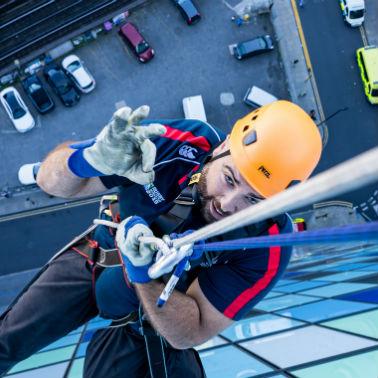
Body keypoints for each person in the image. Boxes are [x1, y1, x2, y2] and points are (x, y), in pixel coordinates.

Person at [0, 101, 322, 377]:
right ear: (223, 147)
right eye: (229, 179)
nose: (228, 204)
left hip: (146, 320)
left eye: (254, 200)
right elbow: (50, 181)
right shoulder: (179, 144)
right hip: (98, 258)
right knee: (4, 342)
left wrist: (143, 275)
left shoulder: (267, 242)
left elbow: (191, 332)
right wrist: (88, 161)